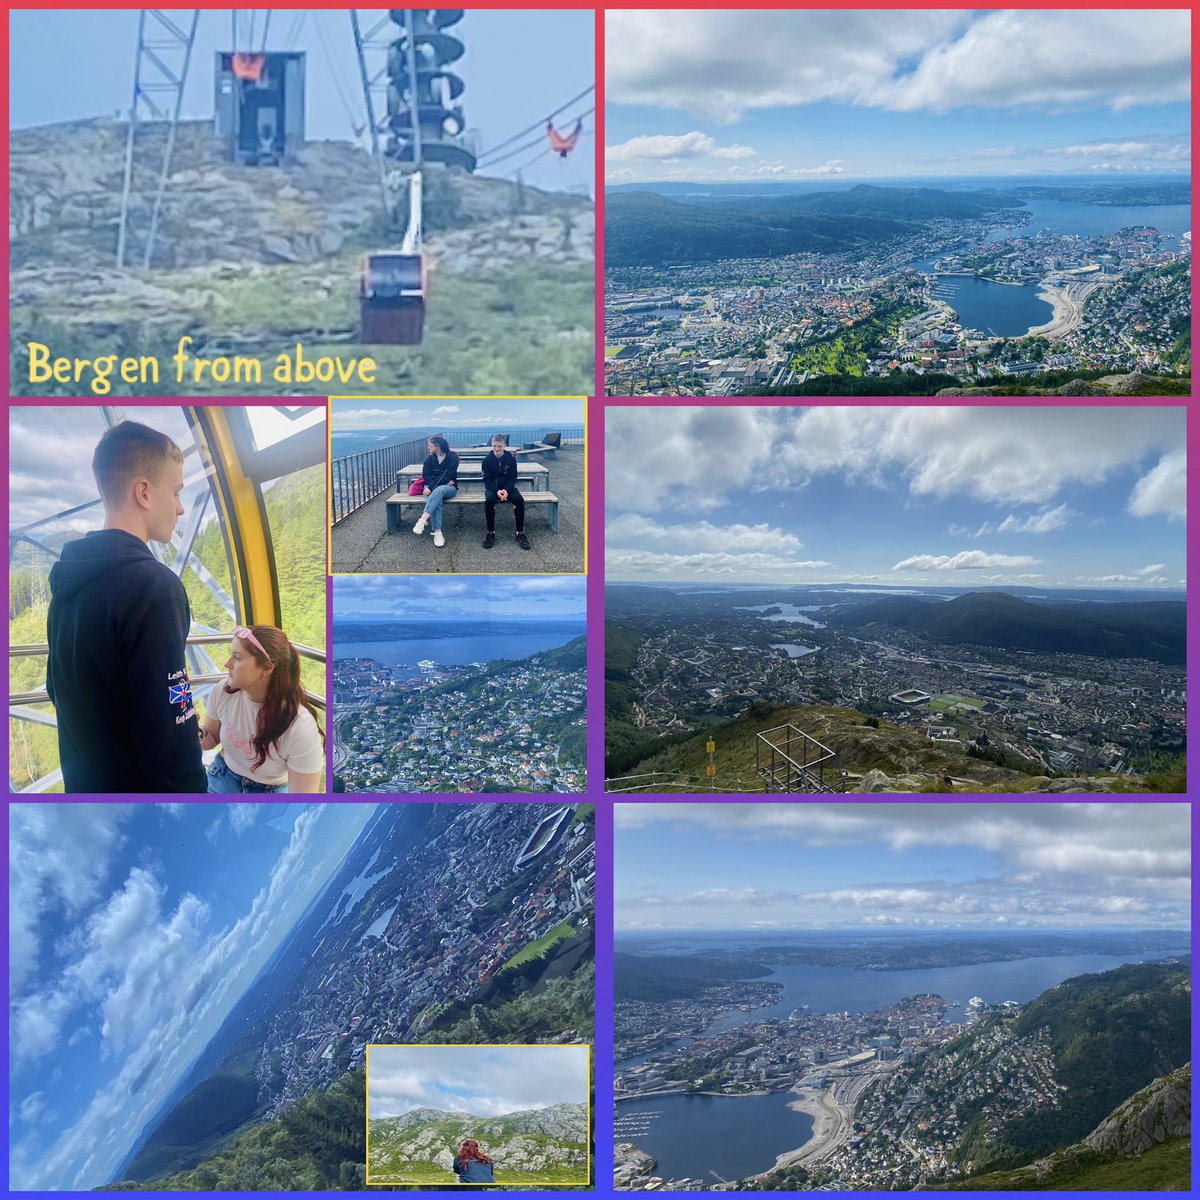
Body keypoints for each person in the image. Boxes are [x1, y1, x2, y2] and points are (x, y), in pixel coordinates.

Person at [46, 420, 207, 793]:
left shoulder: (67, 580)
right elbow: (169, 736)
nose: (181, 508)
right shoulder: (154, 588)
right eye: (176, 492)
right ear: (144, 493)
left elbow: (56, 686)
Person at [200, 625, 324, 793]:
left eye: (237, 657)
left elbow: (303, 797)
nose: (227, 664)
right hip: (222, 776)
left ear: (266, 667)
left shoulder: (299, 726)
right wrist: (192, 732)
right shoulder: (224, 692)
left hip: (271, 791)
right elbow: (211, 737)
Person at [481, 434, 531, 550]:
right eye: (494, 446)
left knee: (519, 500)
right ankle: (491, 533)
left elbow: (513, 478)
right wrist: (497, 491)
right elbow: (486, 479)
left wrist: (506, 490)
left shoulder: (511, 459)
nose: (496, 449)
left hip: (508, 488)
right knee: (489, 500)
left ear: (505, 445)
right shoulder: (486, 460)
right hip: (493, 488)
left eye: (499, 446)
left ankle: (520, 533)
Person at [412, 435, 459, 548]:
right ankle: (437, 532)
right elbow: (426, 476)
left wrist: (433, 486)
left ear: (437, 446)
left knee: (438, 490)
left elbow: (449, 474)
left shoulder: (453, 457)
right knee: (437, 500)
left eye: (430, 445)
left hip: (448, 489)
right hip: (433, 487)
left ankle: (422, 520)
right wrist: (442, 483)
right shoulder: (429, 459)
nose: (428, 447)